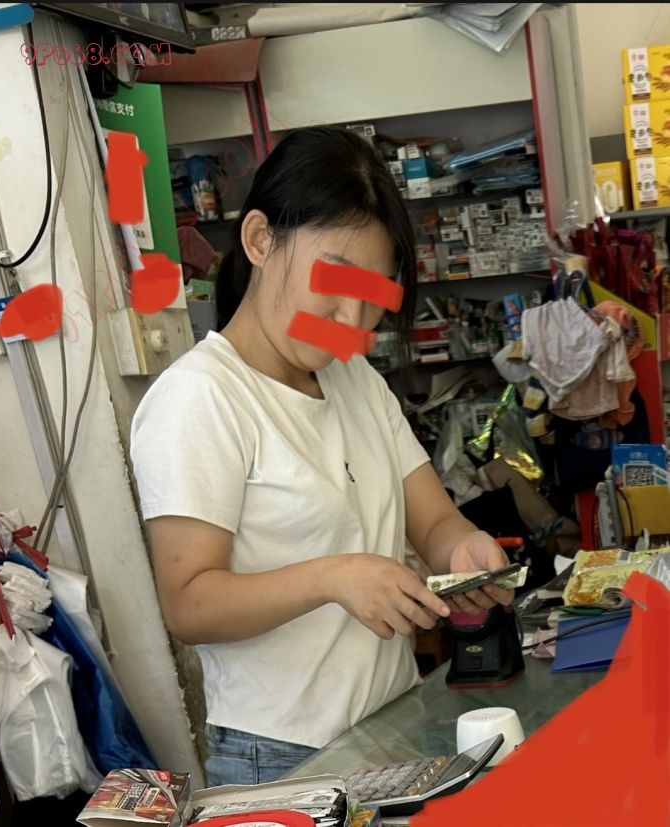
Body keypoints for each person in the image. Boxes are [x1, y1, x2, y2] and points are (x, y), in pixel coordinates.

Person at [130, 126, 514, 787]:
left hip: (392, 722)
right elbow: (189, 603)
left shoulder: (355, 380)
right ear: (259, 240)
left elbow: (433, 521)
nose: (352, 318)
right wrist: (334, 577)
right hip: (282, 755)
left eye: (374, 296)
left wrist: (464, 552)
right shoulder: (200, 397)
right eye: (335, 280)